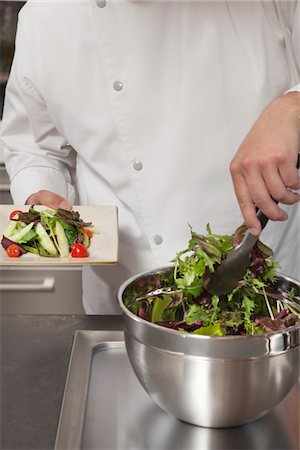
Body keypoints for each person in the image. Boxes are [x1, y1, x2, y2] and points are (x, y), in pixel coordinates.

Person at [1, 0, 299, 314]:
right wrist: (43, 191)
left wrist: (292, 106)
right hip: (124, 300)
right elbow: (36, 147)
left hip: (267, 290)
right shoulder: (46, 16)